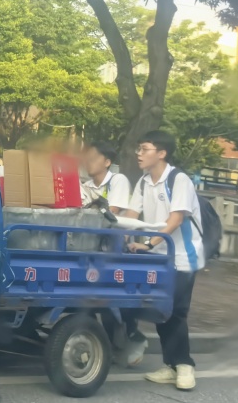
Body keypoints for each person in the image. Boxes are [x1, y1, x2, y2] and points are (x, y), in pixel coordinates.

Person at [124, 130, 205, 391]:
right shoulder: (144, 181)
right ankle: (170, 365)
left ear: (161, 153)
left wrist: (148, 243)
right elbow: (131, 212)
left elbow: (176, 220)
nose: (139, 153)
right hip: (158, 256)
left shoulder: (178, 179)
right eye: (139, 148)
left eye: (144, 148)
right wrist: (125, 235)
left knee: (176, 311)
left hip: (182, 256)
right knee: (161, 310)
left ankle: (184, 366)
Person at [82, 141, 149, 367]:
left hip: (116, 249)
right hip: (94, 249)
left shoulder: (117, 181)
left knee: (112, 301)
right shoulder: (87, 185)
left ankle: (132, 337)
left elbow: (113, 213)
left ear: (107, 162)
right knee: (88, 300)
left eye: (94, 157)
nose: (88, 162)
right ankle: (104, 346)